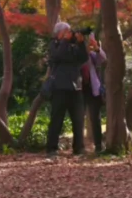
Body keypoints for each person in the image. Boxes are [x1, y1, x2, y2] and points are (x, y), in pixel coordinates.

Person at [45, 20, 88, 156]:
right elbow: (58, 56)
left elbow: (83, 58)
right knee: (57, 119)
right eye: (66, 32)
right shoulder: (54, 44)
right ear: (60, 33)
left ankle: (79, 148)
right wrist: (64, 41)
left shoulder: (72, 46)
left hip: (75, 87)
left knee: (78, 120)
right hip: (60, 88)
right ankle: (52, 148)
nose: (70, 34)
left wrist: (81, 43)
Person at [81, 29, 108, 155]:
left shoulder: (91, 55)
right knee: (78, 118)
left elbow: (102, 59)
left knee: (95, 117)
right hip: (78, 89)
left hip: (92, 89)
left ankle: (98, 145)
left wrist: (97, 48)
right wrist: (84, 52)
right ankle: (79, 146)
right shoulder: (74, 52)